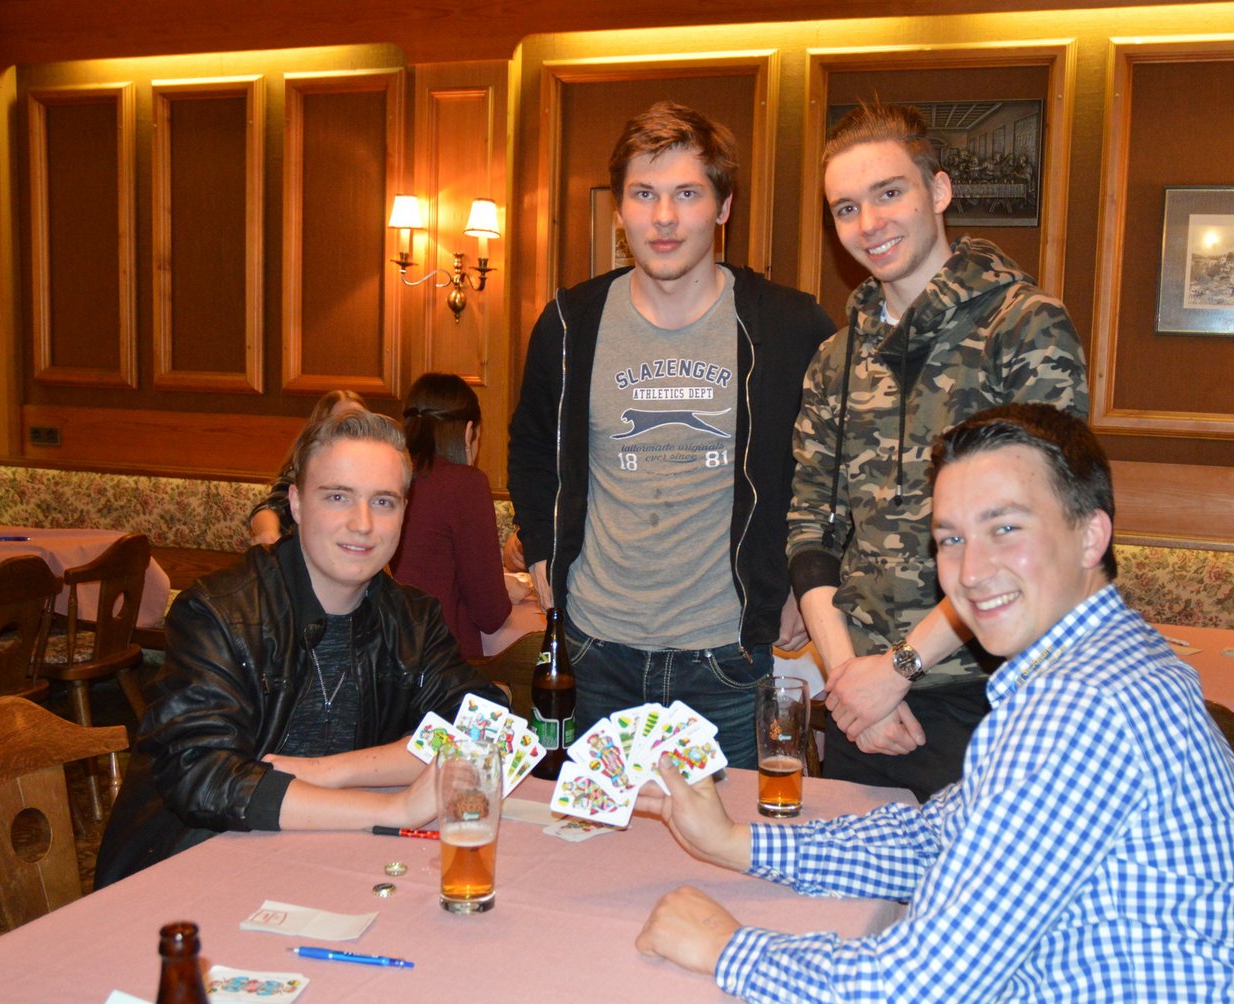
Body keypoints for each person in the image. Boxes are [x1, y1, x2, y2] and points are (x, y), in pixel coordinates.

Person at [635, 403, 1234, 1004]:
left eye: (1005, 527)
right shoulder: (1101, 665)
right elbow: (934, 840)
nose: (971, 571)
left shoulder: (1082, 707)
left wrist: (727, 947)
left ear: (1091, 536)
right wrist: (733, 843)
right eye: (950, 539)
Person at [508, 101, 834, 767]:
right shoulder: (569, 324)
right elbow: (532, 446)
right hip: (593, 651)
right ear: (619, 209)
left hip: (728, 659)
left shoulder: (790, 326)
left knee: (726, 836)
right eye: (643, 194)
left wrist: (810, 576)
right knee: (586, 830)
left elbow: (834, 468)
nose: (663, 217)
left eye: (687, 194)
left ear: (723, 207)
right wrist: (540, 548)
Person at [788, 100, 1088, 804]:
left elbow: (1035, 532)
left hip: (998, 697)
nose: (870, 223)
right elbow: (810, 529)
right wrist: (851, 682)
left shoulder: (1025, 327)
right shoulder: (835, 357)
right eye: (846, 208)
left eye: (889, 193)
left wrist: (899, 668)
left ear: (939, 191)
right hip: (864, 709)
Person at [96, 410, 506, 886]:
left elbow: (487, 727)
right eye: (337, 497)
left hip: (330, 865)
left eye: (383, 502)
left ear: (404, 513)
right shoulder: (217, 613)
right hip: (190, 869)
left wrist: (328, 771)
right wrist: (395, 808)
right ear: (295, 503)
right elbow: (204, 777)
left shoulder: (411, 619)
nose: (363, 524)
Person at [392, 373, 531, 659]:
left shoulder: (388, 475)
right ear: (469, 431)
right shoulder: (465, 484)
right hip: (440, 661)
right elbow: (490, 614)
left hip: (388, 650)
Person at [249, 389, 368, 546]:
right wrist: (268, 533)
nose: (353, 429)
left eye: (360, 421)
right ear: (321, 431)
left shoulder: (378, 469)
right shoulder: (304, 471)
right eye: (342, 423)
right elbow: (271, 509)